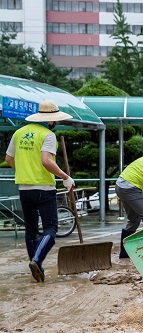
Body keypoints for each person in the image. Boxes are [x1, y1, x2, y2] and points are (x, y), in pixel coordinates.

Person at [5, 99, 75, 283]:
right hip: (44, 188)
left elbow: (8, 158)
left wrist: (23, 171)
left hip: (24, 188)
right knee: (51, 228)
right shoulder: (48, 135)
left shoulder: (19, 133)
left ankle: (36, 267)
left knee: (30, 229)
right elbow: (46, 161)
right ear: (51, 120)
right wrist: (65, 177)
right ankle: (37, 259)